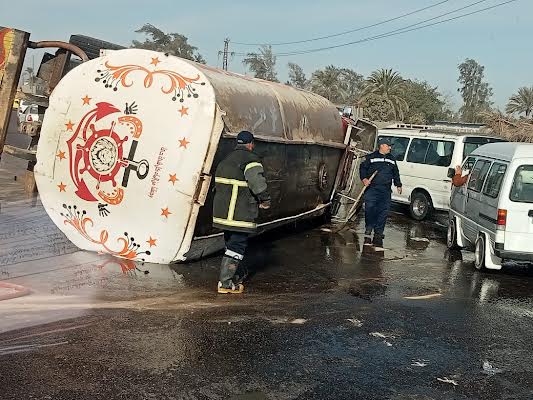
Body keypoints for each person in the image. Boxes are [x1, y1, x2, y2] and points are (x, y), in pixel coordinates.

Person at [212, 130, 271, 294]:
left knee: (230, 244)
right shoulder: (251, 160)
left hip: (223, 214)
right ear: (251, 144)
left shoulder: (225, 160)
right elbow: (258, 184)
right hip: (239, 214)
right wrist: (265, 201)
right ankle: (226, 284)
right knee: (236, 246)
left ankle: (232, 276)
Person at [359, 137, 402, 250]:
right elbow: (362, 168)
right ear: (382, 145)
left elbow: (395, 172)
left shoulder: (392, 159)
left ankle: (379, 231)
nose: (390, 148)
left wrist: (398, 184)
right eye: (388, 146)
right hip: (372, 189)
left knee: (383, 211)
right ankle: (369, 227)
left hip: (385, 190)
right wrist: (364, 179)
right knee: (370, 209)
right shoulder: (371, 157)